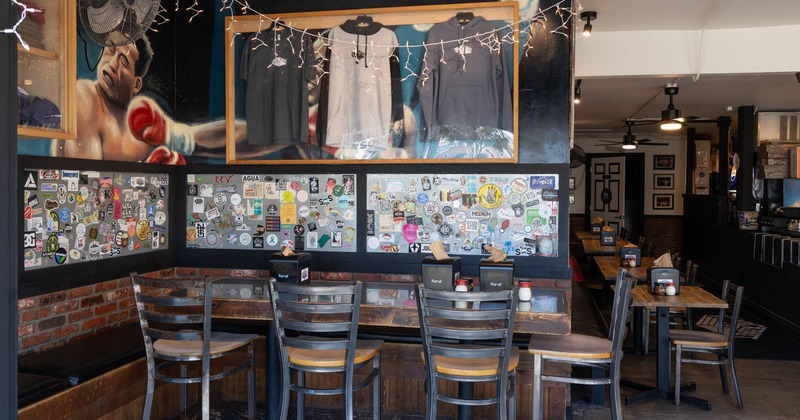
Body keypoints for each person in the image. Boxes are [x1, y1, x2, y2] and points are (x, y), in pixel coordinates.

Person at [54, 34, 249, 164]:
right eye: (110, 51)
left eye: (123, 63)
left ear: (136, 84)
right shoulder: (84, 96)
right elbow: (86, 186)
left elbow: (247, 138)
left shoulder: (143, 127)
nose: (112, 65)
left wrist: (173, 135)